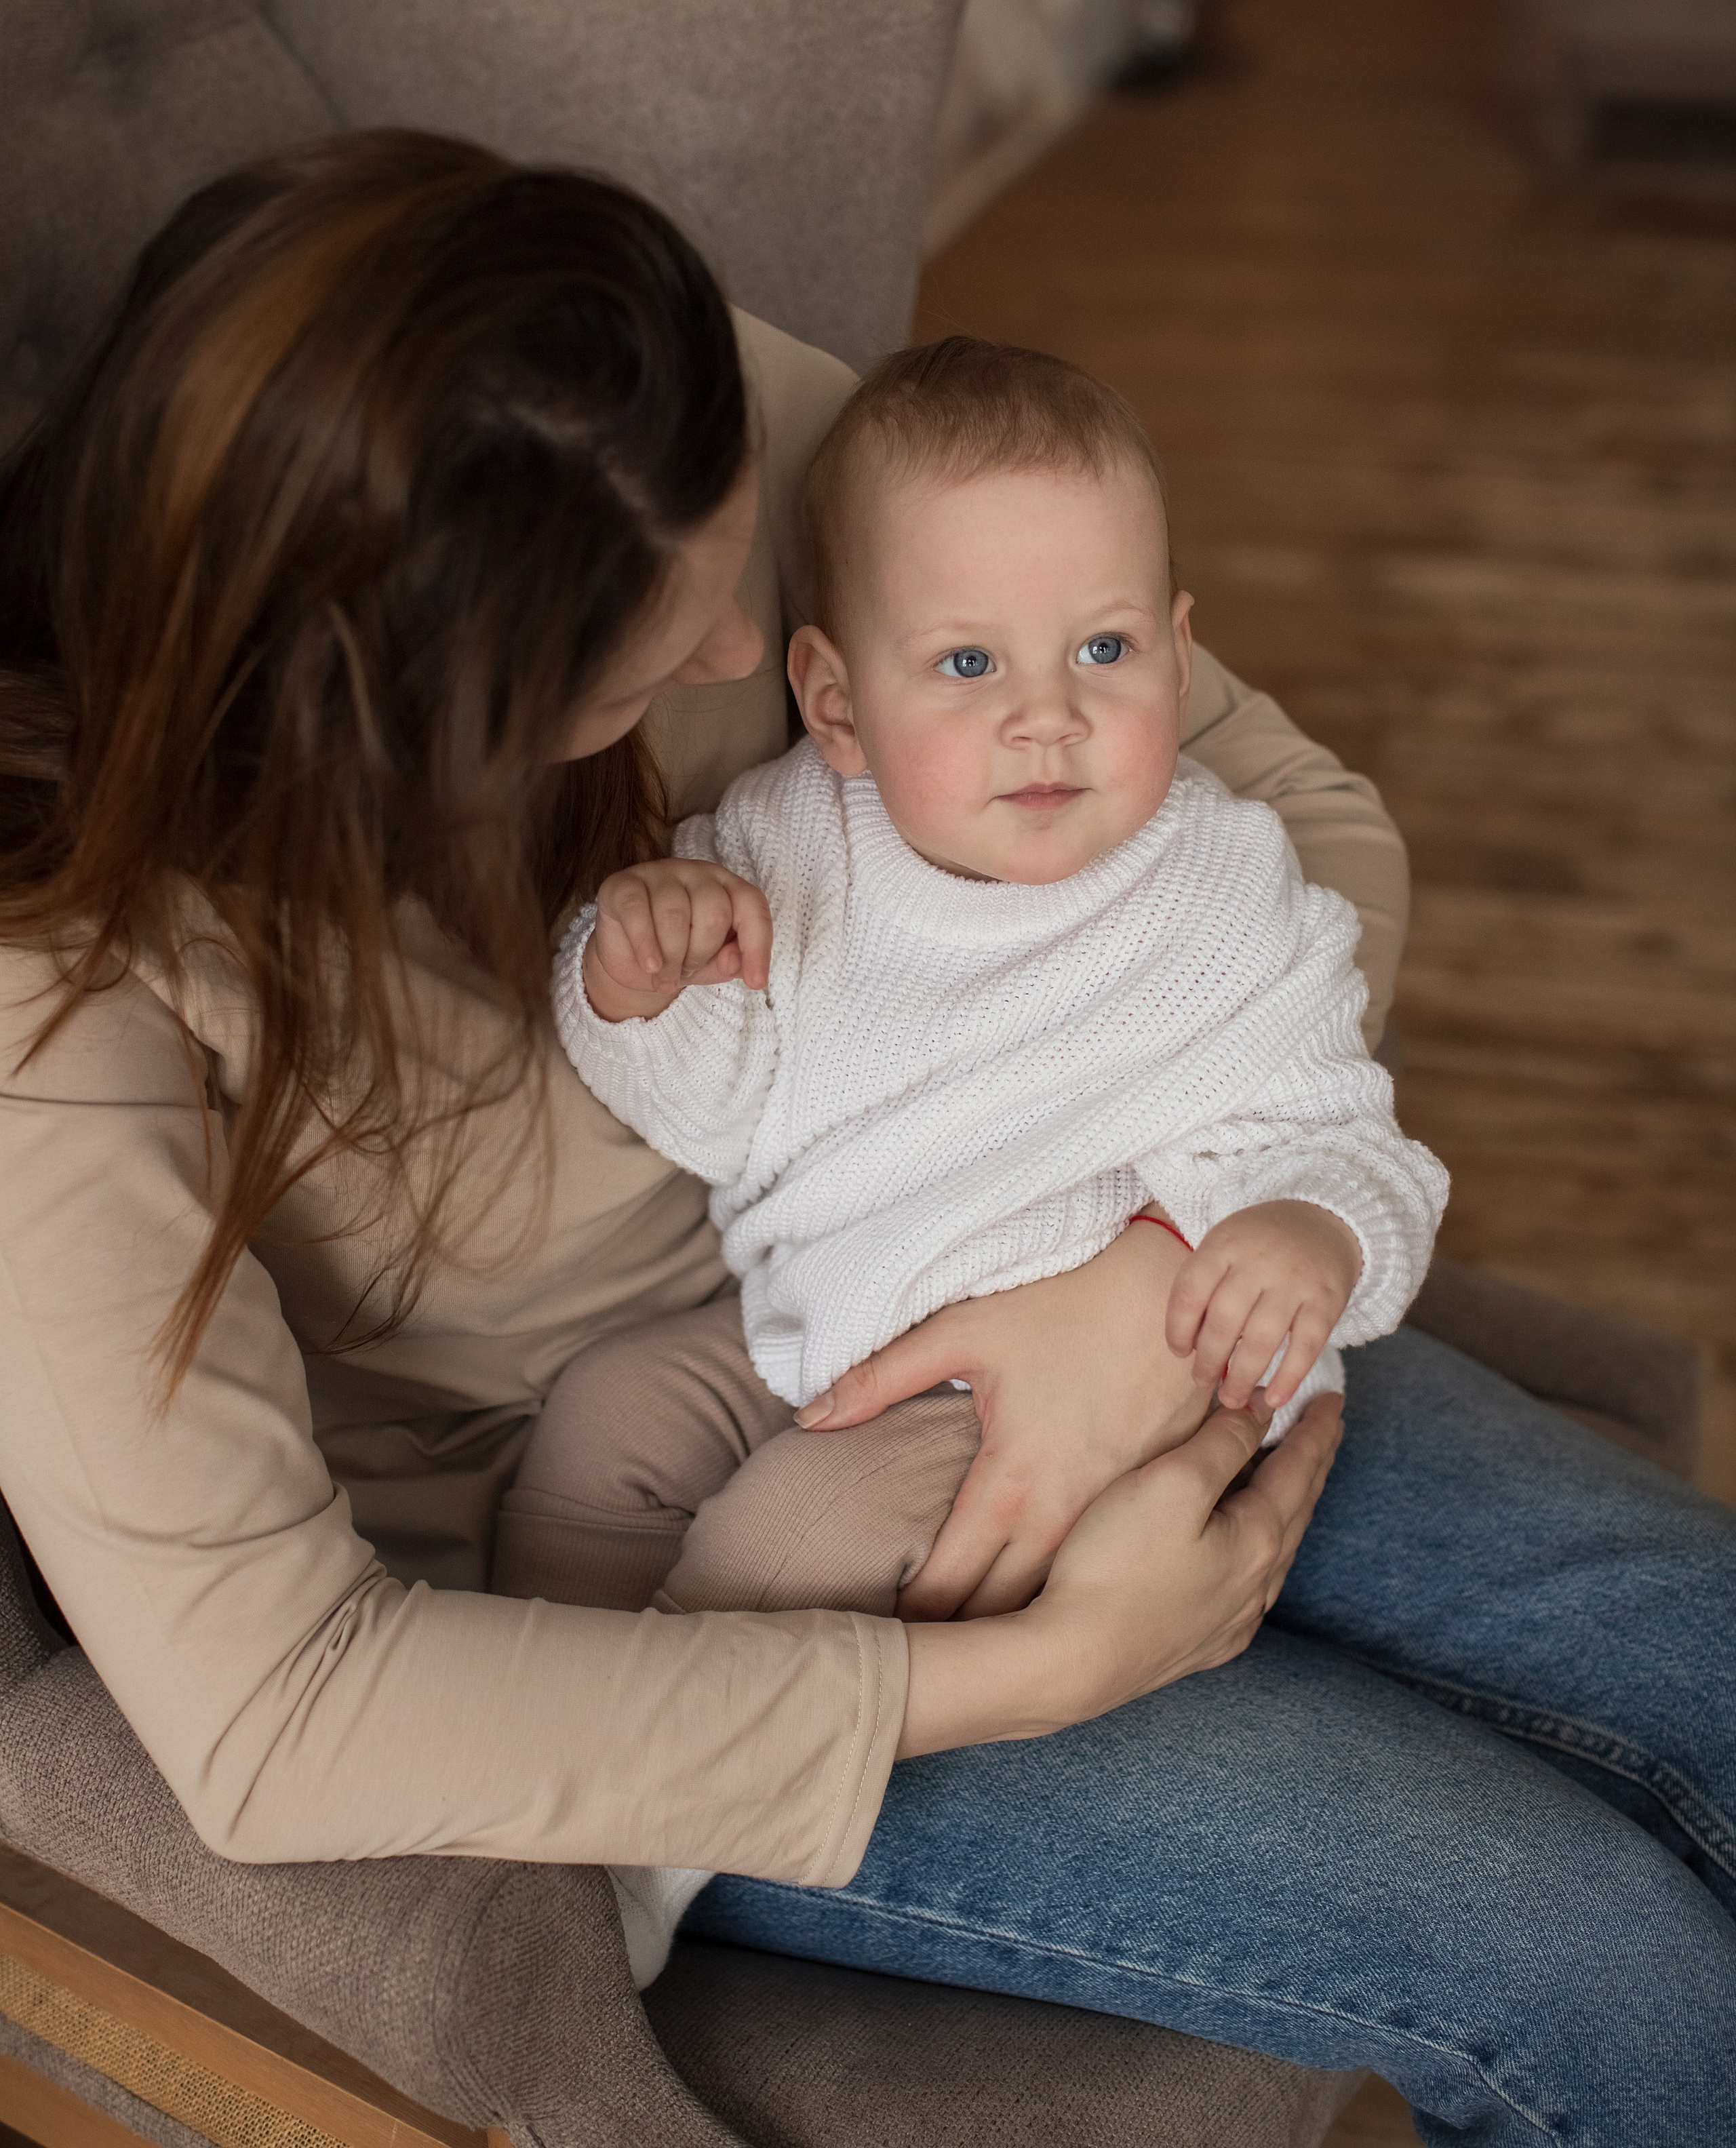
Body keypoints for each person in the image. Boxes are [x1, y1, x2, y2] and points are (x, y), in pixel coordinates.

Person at [1, 130, 1730, 2148]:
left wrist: (1133, 1293)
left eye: (735, 568)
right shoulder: (62, 992)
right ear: (404, 710)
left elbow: (1290, 827)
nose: (744, 656)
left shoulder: (664, 409)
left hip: (1076, 1258)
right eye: (653, 651)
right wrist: (1045, 1671)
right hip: (706, 1612)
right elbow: (275, 1710)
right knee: (1593, 1959)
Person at [531, 335, 1449, 1982]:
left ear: (1178, 652)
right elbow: (714, 1108)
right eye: (965, 664)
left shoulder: (1217, 891)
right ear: (835, 704)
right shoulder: (786, 849)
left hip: (1037, 1386)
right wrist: (638, 970)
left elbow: (1342, 1129)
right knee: (603, 1421)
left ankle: (627, 1865)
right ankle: (545, 1728)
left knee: (781, 1546)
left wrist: (1312, 1228)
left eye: (1103, 648)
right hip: (824, 1309)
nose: (1047, 717)